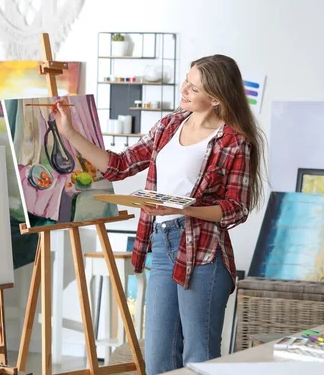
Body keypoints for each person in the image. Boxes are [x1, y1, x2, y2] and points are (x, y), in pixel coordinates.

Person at [53, 54, 265, 374]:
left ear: (216, 98)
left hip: (203, 252)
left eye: (193, 88)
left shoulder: (234, 142)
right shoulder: (169, 125)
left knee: (199, 358)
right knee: (158, 360)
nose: (184, 90)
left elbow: (236, 209)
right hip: (163, 245)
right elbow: (119, 165)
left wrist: (183, 208)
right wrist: (69, 133)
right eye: (186, 81)